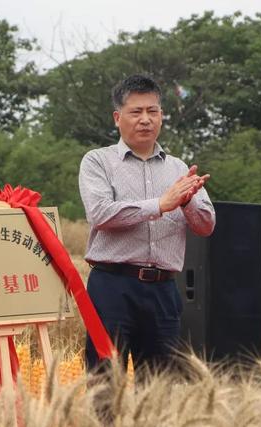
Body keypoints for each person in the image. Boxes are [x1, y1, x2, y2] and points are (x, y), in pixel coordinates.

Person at [79, 74, 216, 380]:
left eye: (153, 112)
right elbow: (100, 213)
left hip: (164, 290)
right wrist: (161, 204)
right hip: (112, 285)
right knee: (105, 381)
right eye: (136, 112)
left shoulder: (179, 168)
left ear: (161, 116)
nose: (145, 120)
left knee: (160, 385)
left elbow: (206, 225)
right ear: (118, 117)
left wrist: (186, 200)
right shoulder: (97, 161)